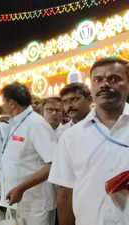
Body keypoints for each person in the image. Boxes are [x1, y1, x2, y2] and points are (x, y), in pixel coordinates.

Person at [49, 58, 129, 225]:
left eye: (114, 79)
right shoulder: (70, 137)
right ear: (92, 87)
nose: (104, 84)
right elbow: (65, 193)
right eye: (98, 80)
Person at [0, 82, 57, 225]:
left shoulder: (36, 124)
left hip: (35, 204)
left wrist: (21, 188)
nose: (1, 106)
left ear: (12, 103)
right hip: (18, 201)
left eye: (3, 101)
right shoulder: (16, 123)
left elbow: (53, 165)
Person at [53, 82, 92, 225]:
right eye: (65, 102)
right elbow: (64, 188)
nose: (69, 106)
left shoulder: (105, 124)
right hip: (74, 201)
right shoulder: (62, 133)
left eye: (75, 99)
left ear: (89, 99)